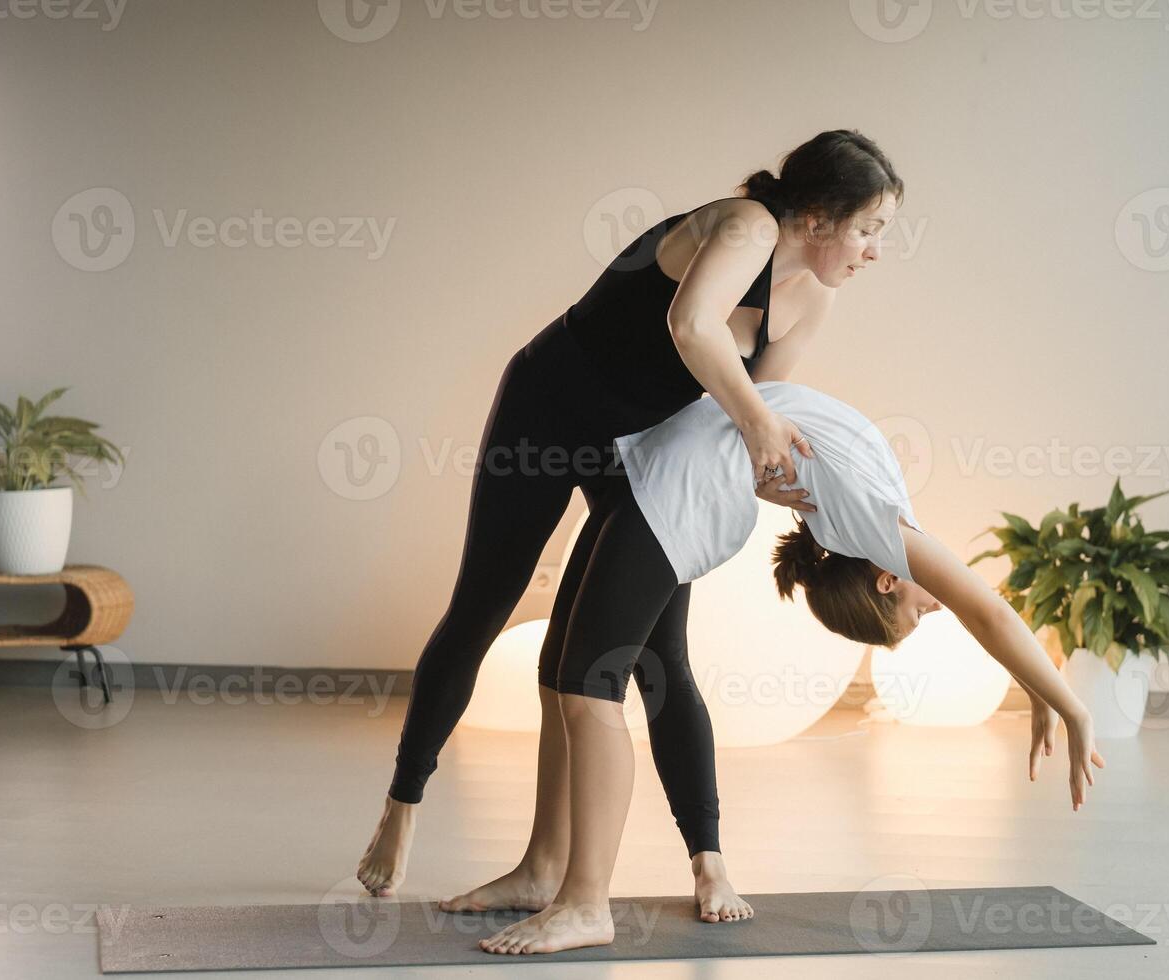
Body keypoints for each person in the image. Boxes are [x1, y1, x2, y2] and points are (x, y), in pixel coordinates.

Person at [356, 130, 906, 924]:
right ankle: (401, 806)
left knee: (656, 653)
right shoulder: (747, 223)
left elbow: (757, 422)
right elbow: (693, 327)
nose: (875, 251)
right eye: (868, 228)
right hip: (548, 412)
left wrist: (798, 488)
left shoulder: (813, 299)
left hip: (641, 454)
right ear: (817, 217)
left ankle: (701, 863)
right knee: (484, 605)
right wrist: (755, 423)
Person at [473, 380, 1107, 955]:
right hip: (671, 481)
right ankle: (569, 889)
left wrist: (1037, 686)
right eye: (922, 615)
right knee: (578, 678)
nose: (937, 604)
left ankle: (573, 885)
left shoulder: (868, 523)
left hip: (674, 480)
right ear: (888, 581)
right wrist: (1069, 703)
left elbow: (983, 614)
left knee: (589, 679)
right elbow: (989, 612)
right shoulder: (880, 526)